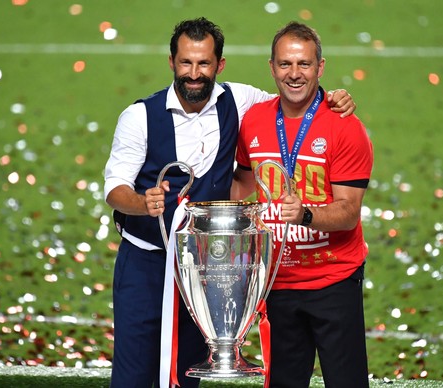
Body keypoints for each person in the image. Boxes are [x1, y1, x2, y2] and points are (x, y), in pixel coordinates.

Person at [104, 17, 356, 388]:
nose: (194, 73)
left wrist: (334, 96)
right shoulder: (138, 116)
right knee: (134, 372)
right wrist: (143, 203)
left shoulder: (241, 100)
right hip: (147, 262)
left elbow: (295, 92)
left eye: (204, 63)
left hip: (205, 265)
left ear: (219, 65)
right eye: (186, 62)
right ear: (171, 61)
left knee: (190, 369)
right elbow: (114, 190)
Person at [231, 21, 374, 387]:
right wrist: (197, 208)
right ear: (272, 67)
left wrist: (306, 214)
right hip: (278, 282)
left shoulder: (345, 127)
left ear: (320, 68)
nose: (294, 74)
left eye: (304, 64)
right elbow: (244, 182)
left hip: (333, 280)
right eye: (285, 64)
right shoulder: (254, 120)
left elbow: (348, 213)